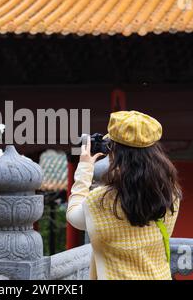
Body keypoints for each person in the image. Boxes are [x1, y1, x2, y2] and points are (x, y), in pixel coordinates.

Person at [66, 110, 182, 280]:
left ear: (115, 152)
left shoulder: (101, 200)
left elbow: (74, 217)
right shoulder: (171, 194)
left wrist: (85, 168)